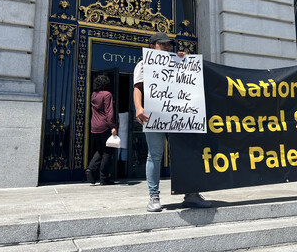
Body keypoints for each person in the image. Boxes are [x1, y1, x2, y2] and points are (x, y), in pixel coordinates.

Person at [133, 32, 212, 212]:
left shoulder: (176, 60)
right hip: (154, 116)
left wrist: (184, 61)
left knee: (184, 154)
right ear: (152, 46)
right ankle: (154, 197)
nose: (168, 47)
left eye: (170, 44)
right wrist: (138, 108)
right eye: (163, 44)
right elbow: (138, 88)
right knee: (155, 155)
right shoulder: (143, 64)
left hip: (179, 116)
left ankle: (191, 194)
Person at [85, 74, 117, 185]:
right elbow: (109, 112)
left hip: (94, 127)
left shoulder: (94, 95)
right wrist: (113, 126)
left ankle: (90, 169)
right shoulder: (107, 94)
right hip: (105, 126)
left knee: (100, 150)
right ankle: (104, 178)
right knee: (108, 152)